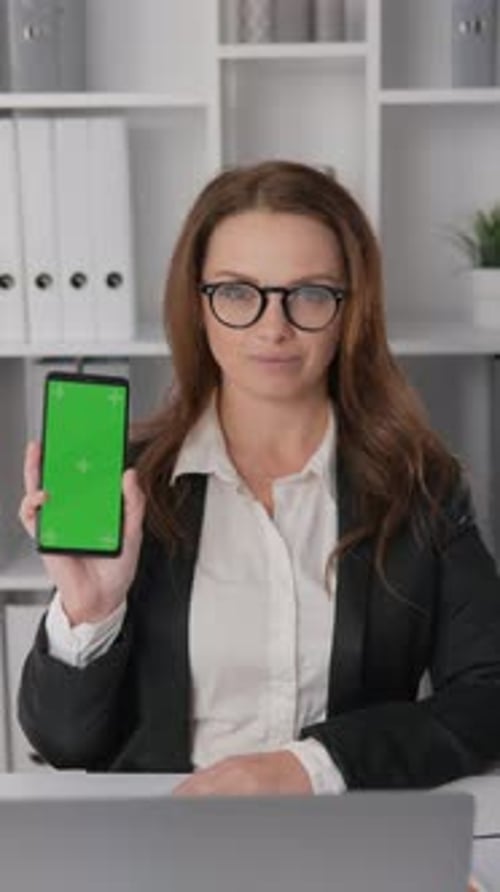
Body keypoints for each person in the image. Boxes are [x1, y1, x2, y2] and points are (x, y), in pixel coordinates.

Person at [18, 160, 500, 796]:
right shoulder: (129, 486)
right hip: (166, 845)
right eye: (238, 292)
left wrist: (309, 767)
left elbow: (487, 699)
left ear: (350, 309)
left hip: (348, 836)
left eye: (310, 294)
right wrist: (90, 612)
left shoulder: (420, 486)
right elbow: (61, 742)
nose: (274, 327)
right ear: (198, 304)